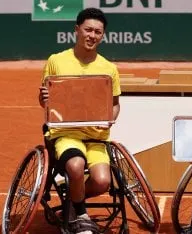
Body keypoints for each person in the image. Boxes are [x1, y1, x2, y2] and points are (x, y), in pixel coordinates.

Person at [38, 8, 121, 234]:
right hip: (66, 133)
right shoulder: (56, 61)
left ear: (103, 35)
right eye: (88, 30)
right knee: (75, 166)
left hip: (96, 136)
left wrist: (108, 120)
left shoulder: (109, 68)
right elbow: (45, 100)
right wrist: (44, 97)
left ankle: (72, 198)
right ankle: (80, 214)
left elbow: (114, 105)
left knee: (103, 181)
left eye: (98, 32)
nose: (92, 35)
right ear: (77, 30)